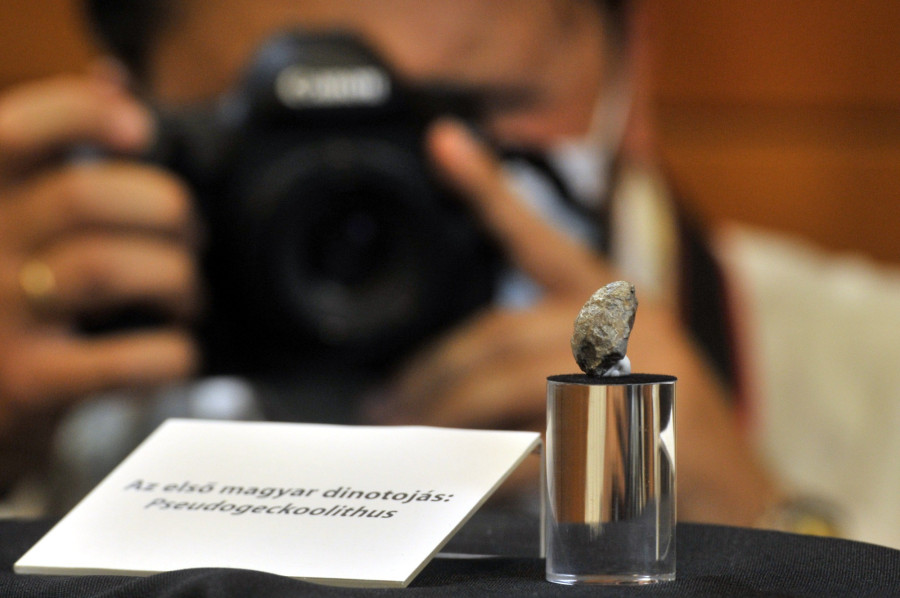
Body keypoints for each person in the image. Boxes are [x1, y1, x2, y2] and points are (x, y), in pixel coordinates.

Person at [0, 0, 783, 526]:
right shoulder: (65, 386)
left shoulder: (847, 357)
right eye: (286, 129)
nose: (368, 192)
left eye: (471, 112)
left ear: (631, 73)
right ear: (129, 116)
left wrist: (764, 536)